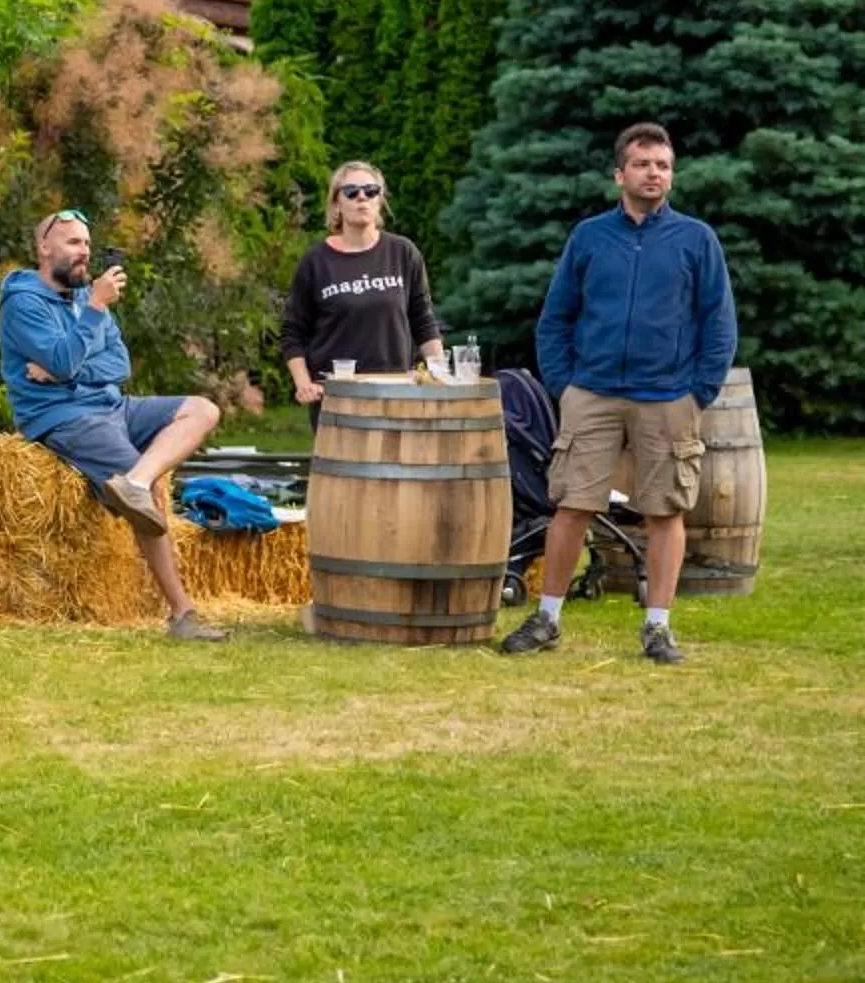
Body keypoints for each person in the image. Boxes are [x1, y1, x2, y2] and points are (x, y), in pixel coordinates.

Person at [499, 122, 738, 666]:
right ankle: (547, 618)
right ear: (619, 174)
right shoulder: (589, 237)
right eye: (643, 164)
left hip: (668, 396)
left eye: (663, 166)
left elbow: (719, 324)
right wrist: (565, 387)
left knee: (665, 511)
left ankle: (658, 628)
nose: (654, 174)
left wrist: (697, 393)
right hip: (593, 394)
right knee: (571, 506)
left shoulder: (696, 239)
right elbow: (555, 318)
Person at [0, 209, 226, 642]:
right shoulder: (24, 303)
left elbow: (118, 365)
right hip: (64, 417)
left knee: (202, 410)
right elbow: (62, 359)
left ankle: (135, 480)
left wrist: (66, 370)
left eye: (87, 243)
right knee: (150, 500)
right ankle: (183, 615)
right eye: (73, 243)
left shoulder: (87, 296)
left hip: (112, 404)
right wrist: (95, 311)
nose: (84, 252)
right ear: (44, 248)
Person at [280, 160, 449, 423]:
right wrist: (304, 384)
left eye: (371, 191)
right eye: (351, 192)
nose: (362, 197)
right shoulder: (316, 261)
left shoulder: (403, 253)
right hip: (336, 397)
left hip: (396, 393)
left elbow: (424, 322)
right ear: (336, 204)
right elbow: (293, 332)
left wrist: (441, 375)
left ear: (380, 200)